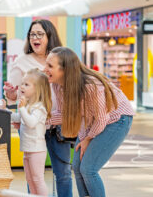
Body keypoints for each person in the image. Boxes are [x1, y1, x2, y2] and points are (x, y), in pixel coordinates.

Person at [44, 47, 134, 197]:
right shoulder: (57, 85)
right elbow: (64, 114)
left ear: (65, 69)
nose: (44, 69)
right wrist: (40, 120)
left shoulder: (90, 86)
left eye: (50, 66)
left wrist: (87, 139)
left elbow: (102, 119)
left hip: (117, 119)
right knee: (77, 167)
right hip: (91, 122)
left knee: (89, 169)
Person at [4, 19, 73, 197]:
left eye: (40, 34)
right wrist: (11, 95)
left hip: (58, 124)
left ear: (50, 36)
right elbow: (13, 97)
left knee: (63, 173)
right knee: (33, 176)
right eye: (32, 34)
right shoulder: (21, 62)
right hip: (31, 126)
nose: (35, 38)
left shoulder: (60, 60)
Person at [1, 69, 52, 196]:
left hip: (36, 150)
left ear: (37, 89)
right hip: (28, 149)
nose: (22, 86)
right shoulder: (28, 105)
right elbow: (19, 118)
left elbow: (31, 122)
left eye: (26, 84)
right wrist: (5, 110)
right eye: (22, 83)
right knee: (30, 180)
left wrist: (22, 108)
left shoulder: (40, 108)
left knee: (37, 180)